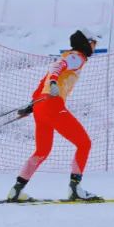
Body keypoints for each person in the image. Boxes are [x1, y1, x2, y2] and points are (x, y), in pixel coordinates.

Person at [8, 29, 101, 202]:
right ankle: (75, 189)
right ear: (86, 43)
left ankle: (16, 190)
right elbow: (56, 68)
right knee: (84, 144)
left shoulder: (69, 56)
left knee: (42, 151)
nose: (95, 47)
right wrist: (52, 83)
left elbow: (45, 80)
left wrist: (31, 106)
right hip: (53, 106)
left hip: (41, 106)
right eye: (94, 43)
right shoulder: (77, 57)